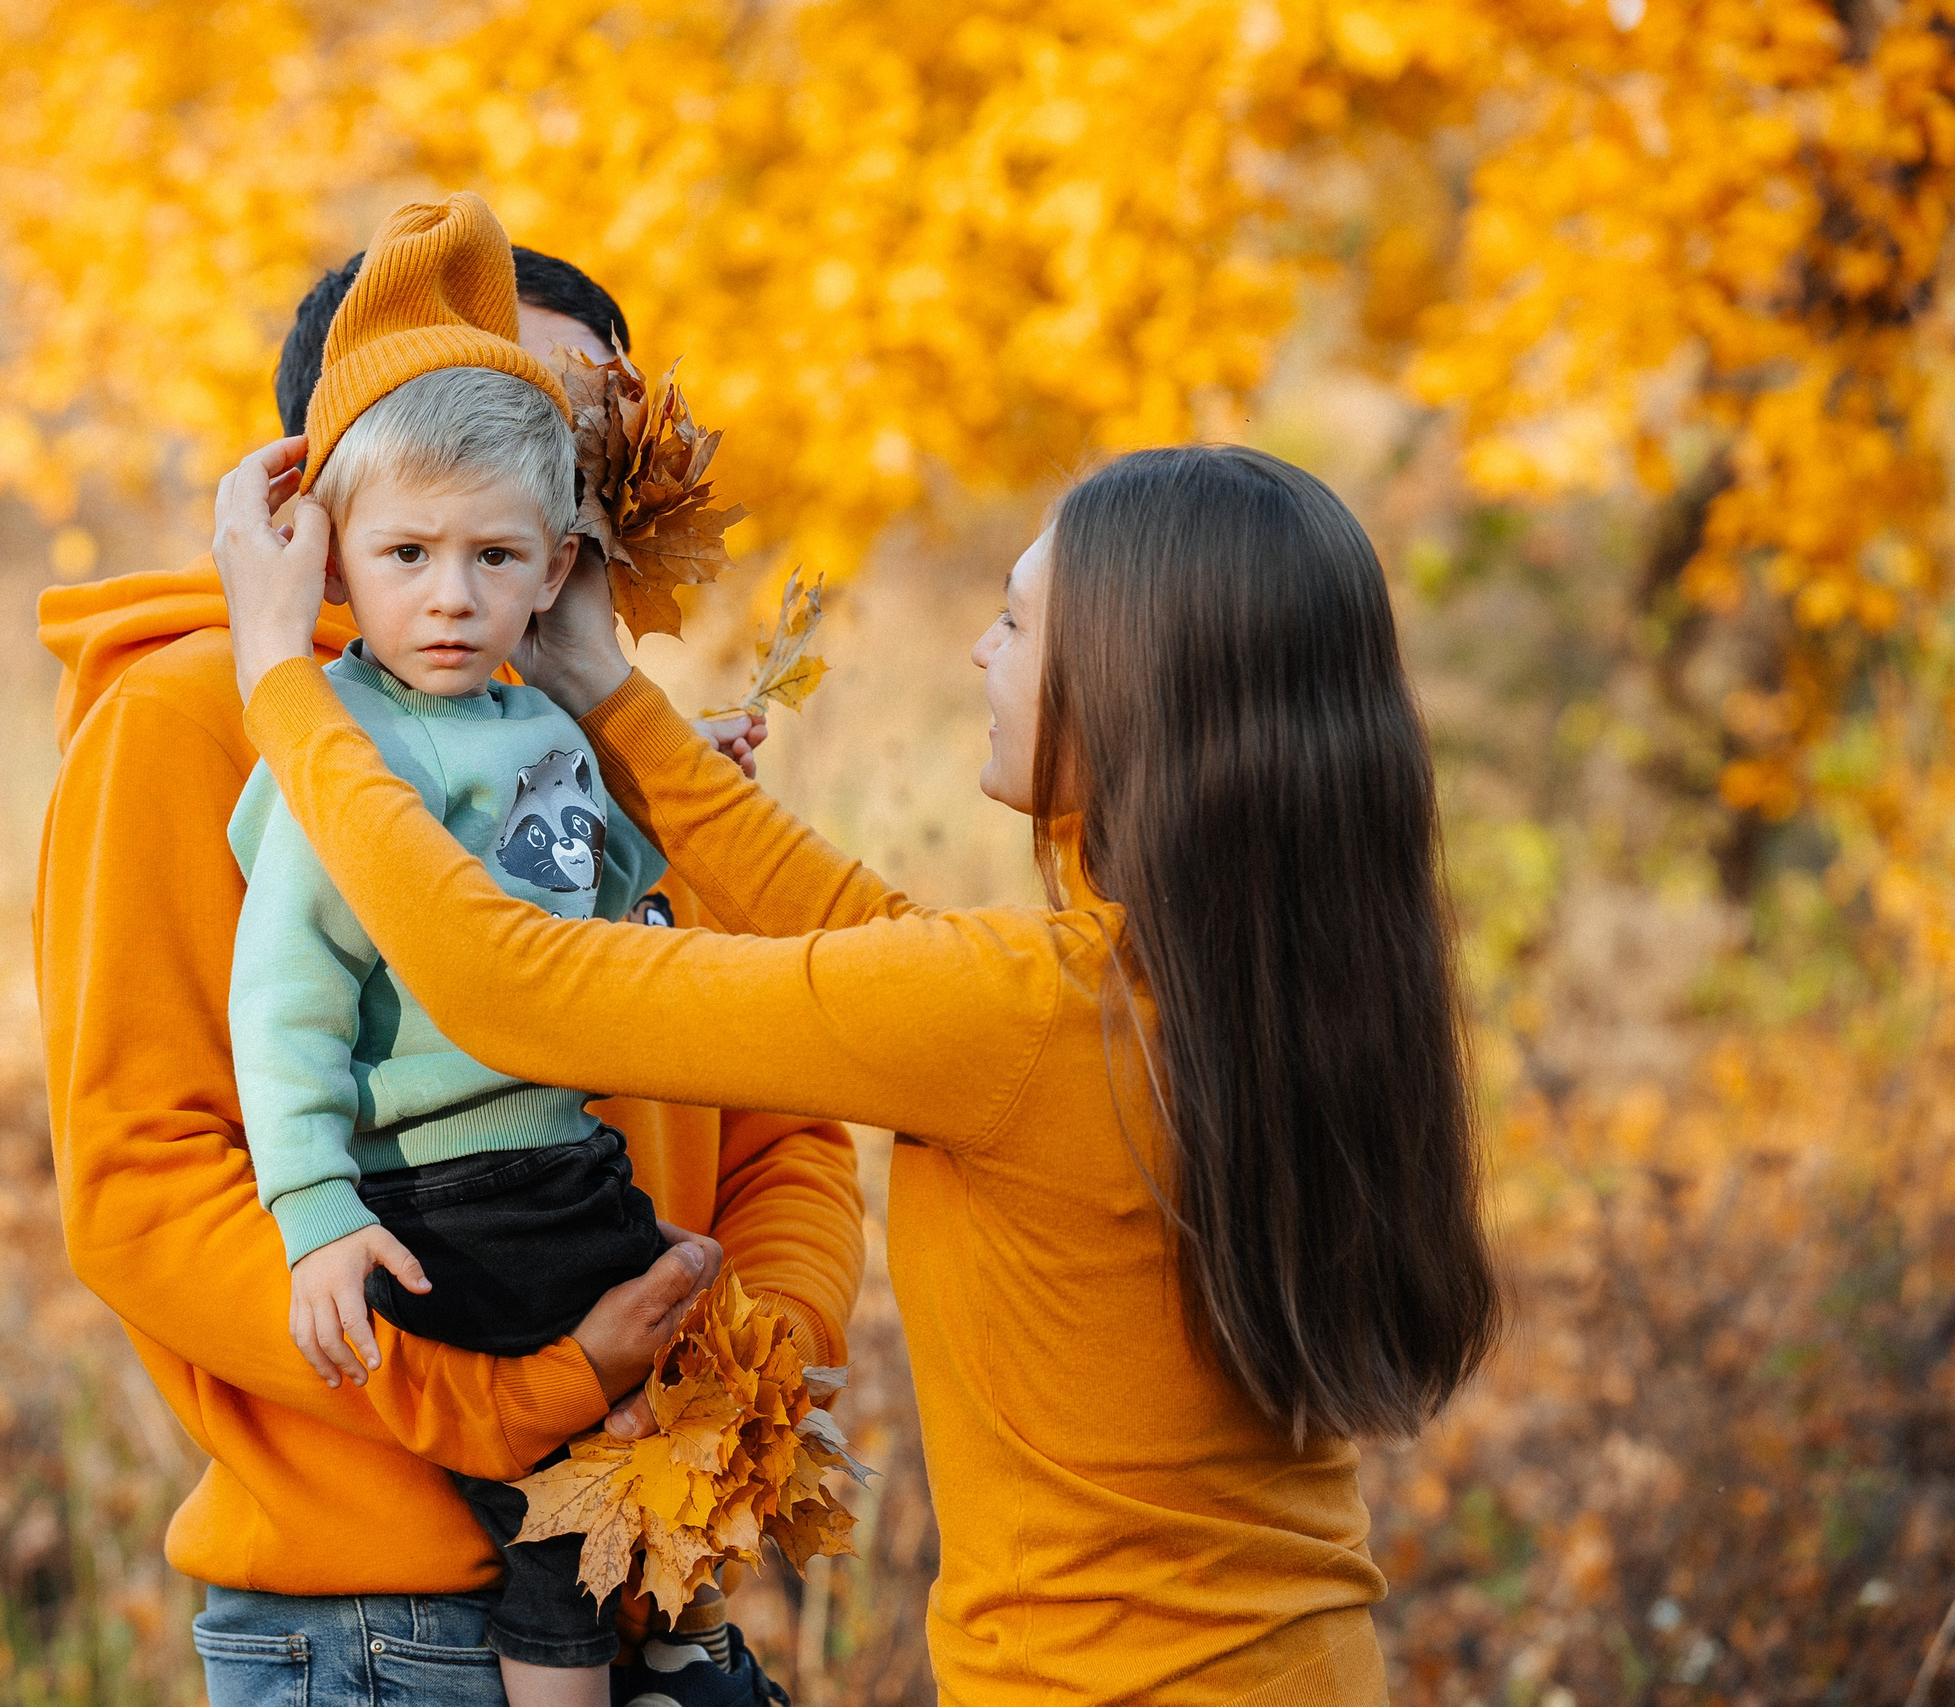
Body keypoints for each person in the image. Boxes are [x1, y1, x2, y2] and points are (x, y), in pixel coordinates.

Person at [212, 434, 1505, 1704]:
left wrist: (284, 681)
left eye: (1015, 620)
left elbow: (509, 984)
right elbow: (871, 942)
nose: (979, 651)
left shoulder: (1021, 1015)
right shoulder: (1272, 986)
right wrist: (604, 692)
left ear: (1133, 684)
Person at [31, 213, 863, 1705]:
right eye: (473, 421)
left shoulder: (594, 739)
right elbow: (140, 1186)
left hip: (639, 1580)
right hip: (387, 1620)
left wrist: (724, 1387)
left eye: (574, 451)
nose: (535, 460)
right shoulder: (185, 727)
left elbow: (791, 1123)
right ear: (327, 490)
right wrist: (527, 1396)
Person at [229, 195, 681, 1707]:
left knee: (684, 1401)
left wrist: (670, 807)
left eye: (495, 558)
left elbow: (595, 911)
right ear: (333, 561)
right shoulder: (341, 749)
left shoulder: (538, 722)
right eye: (408, 553)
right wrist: (313, 1208)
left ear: (556, 570)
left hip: (558, 1153)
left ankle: (672, 1644)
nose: (451, 595)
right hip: (445, 1182)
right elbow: (287, 992)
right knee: (577, 1489)